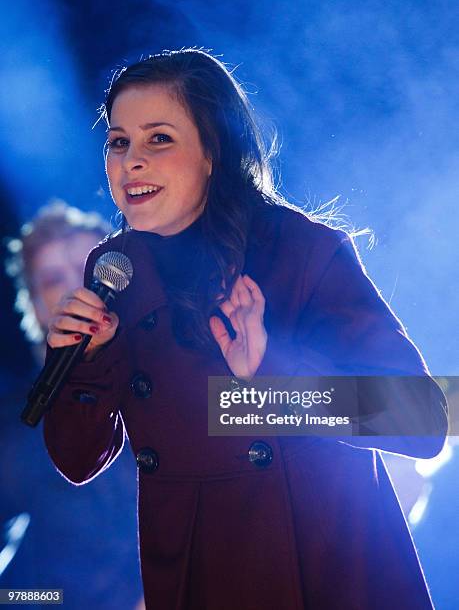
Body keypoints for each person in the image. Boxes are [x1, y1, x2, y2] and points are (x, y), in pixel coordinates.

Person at [42, 49, 448, 609]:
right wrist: (87, 361)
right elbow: (77, 461)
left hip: (328, 577)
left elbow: (425, 420)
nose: (130, 161)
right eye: (118, 141)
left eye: (159, 138)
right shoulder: (116, 271)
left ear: (212, 151)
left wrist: (266, 380)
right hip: (195, 580)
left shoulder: (301, 251)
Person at [2, 202, 144, 609]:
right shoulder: (14, 421)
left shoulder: (171, 381)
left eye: (88, 272)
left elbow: (334, 409)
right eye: (52, 280)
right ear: (34, 307)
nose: (75, 291)